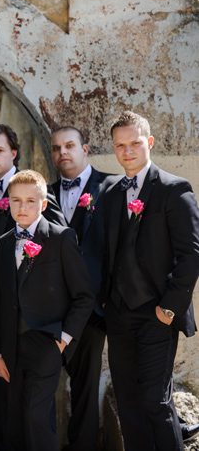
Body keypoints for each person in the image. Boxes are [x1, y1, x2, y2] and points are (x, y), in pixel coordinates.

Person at [101, 111, 199, 450]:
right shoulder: (111, 193)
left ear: (150, 143)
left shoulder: (174, 189)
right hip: (119, 315)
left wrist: (169, 310)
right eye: (120, 145)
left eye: (135, 144)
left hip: (158, 314)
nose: (127, 151)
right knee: (127, 402)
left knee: (155, 402)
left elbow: (190, 256)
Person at [0, 123, 65, 450]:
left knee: (31, 405)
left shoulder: (35, 195)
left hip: (29, 319)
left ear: (14, 152)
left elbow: (60, 248)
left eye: (0, 150)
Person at [0, 170, 94, 451]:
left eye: (30, 201)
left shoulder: (61, 238)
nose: (22, 208)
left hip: (46, 342)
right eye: (15, 201)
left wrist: (63, 338)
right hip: (10, 346)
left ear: (43, 204)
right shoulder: (2, 244)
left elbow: (84, 296)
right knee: (14, 418)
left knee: (36, 416)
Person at [48, 126, 110, 450]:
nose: (63, 153)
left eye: (70, 146)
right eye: (57, 148)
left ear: (85, 148)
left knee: (86, 388)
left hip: (93, 311)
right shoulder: (43, 193)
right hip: (51, 311)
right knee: (42, 384)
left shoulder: (109, 188)